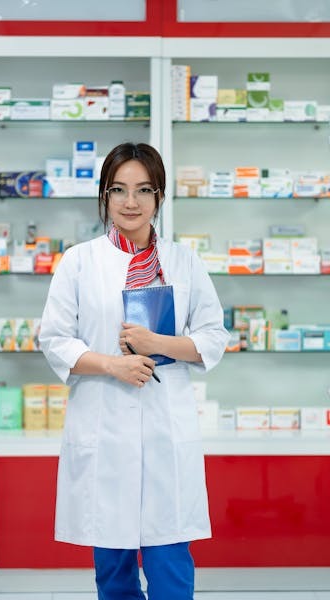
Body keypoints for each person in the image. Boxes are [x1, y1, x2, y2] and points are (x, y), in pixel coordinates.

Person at [39, 142, 229, 600]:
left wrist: (157, 344)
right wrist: (113, 365)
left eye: (144, 189)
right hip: (105, 430)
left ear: (159, 197)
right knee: (114, 571)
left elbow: (213, 337)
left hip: (166, 429)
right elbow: (55, 339)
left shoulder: (184, 261)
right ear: (104, 196)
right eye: (119, 189)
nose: (131, 202)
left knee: (171, 568)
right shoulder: (79, 262)